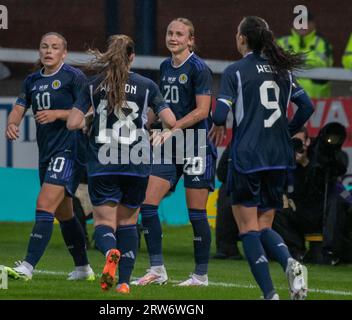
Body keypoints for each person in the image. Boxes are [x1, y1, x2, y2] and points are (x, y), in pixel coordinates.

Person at [209, 16, 314, 300]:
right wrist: (287, 131)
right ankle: (291, 263)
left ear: (242, 38)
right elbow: (306, 106)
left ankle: (270, 294)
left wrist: (218, 121)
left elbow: (220, 114)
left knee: (248, 228)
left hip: (248, 156)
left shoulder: (236, 71)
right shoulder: (283, 71)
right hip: (278, 156)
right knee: (264, 224)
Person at [67, 34, 176, 294]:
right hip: (136, 164)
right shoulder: (147, 84)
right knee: (128, 223)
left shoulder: (93, 85)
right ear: (132, 57)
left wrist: (90, 118)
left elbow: (72, 122)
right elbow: (170, 119)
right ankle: (125, 283)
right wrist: (157, 129)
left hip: (104, 162)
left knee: (105, 222)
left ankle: (110, 252)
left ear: (110, 55)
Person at [3, 32, 94, 282]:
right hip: (47, 153)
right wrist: (12, 123)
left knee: (44, 204)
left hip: (70, 151)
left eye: (55, 47)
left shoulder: (74, 77)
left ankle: (27, 266)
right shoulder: (32, 80)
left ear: (64, 53)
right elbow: (19, 108)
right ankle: (83, 269)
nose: (49, 51)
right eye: (44, 46)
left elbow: (90, 110)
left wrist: (58, 114)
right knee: (64, 214)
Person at [132, 17, 216, 287]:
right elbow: (161, 104)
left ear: (190, 40)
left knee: (196, 214)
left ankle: (200, 275)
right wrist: (144, 123)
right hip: (170, 144)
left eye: (180, 34)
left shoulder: (199, 68)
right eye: (170, 32)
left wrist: (173, 128)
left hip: (195, 144)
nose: (173, 37)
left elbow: (203, 111)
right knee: (147, 206)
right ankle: (157, 269)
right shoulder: (165, 66)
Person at [274, 125, 352, 265]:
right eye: (293, 143)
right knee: (276, 208)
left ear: (308, 141)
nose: (297, 147)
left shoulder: (320, 155)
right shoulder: (284, 161)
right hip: (301, 212)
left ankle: (332, 252)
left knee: (338, 201)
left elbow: (340, 167)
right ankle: (296, 251)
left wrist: (305, 162)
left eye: (299, 142)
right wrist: (283, 195)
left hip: (324, 213)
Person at [277, 12, 333, 98]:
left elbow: (324, 63)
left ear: (313, 24)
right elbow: (274, 63)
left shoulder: (322, 43)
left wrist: (293, 60)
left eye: (306, 22)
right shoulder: (282, 42)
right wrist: (307, 60)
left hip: (317, 101)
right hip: (286, 99)